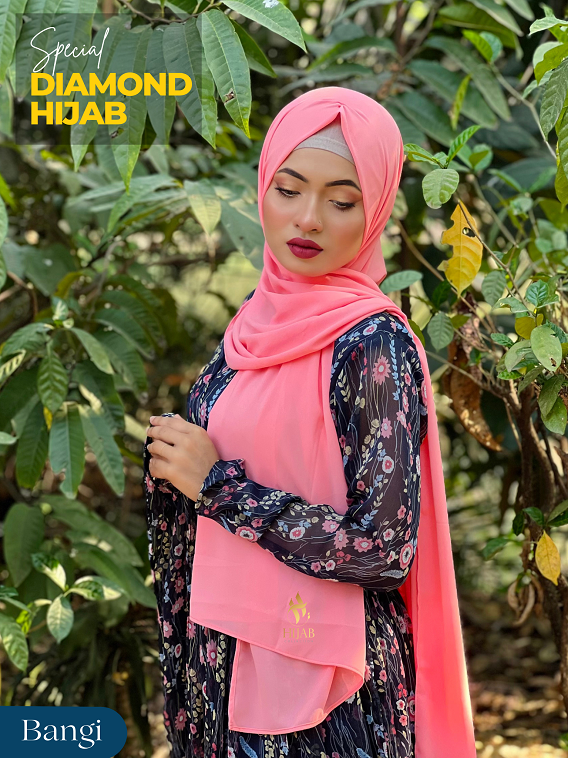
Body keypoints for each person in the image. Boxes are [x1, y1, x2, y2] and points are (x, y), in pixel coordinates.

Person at [143, 87, 476, 758]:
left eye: (342, 202)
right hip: (223, 663)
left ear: (375, 211)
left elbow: (383, 548)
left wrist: (218, 487)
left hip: (326, 695)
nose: (308, 219)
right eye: (289, 189)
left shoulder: (372, 343)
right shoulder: (253, 321)